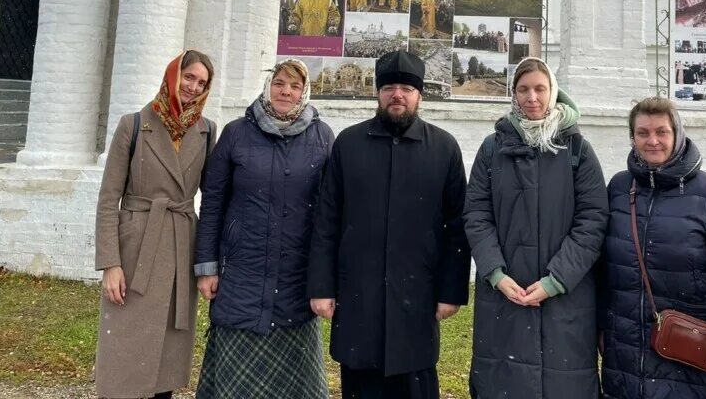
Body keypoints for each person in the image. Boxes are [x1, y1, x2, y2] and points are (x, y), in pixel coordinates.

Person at [308, 49, 470, 399]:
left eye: (406, 88)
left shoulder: (444, 148)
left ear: (419, 95)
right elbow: (327, 219)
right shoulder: (349, 144)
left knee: (415, 383)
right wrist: (321, 287)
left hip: (418, 295)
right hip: (358, 293)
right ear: (378, 93)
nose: (397, 94)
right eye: (389, 87)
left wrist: (451, 291)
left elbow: (457, 226)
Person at [464, 57, 607, 398]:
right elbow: (477, 214)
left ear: (553, 92)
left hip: (565, 296)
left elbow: (592, 220)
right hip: (506, 291)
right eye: (523, 89)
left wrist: (556, 280)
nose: (532, 98)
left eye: (540, 89)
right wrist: (496, 274)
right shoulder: (493, 149)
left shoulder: (576, 149)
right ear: (513, 94)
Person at [193, 58, 334, 398]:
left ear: (304, 92)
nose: (286, 91)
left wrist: (325, 278)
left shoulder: (322, 136)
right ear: (268, 86)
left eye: (295, 86)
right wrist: (206, 267)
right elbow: (213, 202)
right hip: (242, 272)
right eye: (279, 83)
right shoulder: (236, 133)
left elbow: (329, 212)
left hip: (295, 276)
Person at [600, 97, 706, 399]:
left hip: (689, 350)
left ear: (678, 134)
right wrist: (602, 327)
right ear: (632, 138)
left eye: (662, 132)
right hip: (627, 349)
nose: (652, 141)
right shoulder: (619, 188)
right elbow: (605, 271)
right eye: (643, 133)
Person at [94, 50, 217, 399]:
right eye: (188, 77)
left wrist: (207, 262)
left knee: (167, 351)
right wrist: (110, 264)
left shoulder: (207, 131)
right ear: (172, 75)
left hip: (180, 248)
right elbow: (108, 199)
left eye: (202, 82)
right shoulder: (133, 125)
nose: (193, 87)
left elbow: (212, 198)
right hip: (135, 249)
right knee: (125, 346)